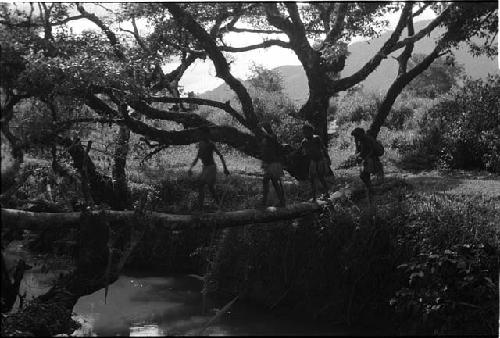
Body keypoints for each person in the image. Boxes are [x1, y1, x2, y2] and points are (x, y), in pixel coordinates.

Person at [188, 126, 230, 209]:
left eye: (202, 134)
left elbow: (220, 155)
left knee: (201, 185)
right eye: (199, 134)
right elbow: (197, 157)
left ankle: (201, 208)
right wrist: (190, 168)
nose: (200, 136)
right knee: (210, 188)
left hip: (211, 168)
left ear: (207, 134)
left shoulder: (211, 144)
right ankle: (219, 207)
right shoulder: (201, 143)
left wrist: (225, 168)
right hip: (205, 168)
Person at [350, 127, 384, 197]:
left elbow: (369, 151)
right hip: (368, 158)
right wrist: (357, 157)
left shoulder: (367, 139)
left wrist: (362, 158)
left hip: (372, 158)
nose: (356, 138)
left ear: (361, 134)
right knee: (364, 175)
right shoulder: (358, 139)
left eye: (356, 136)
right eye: (355, 136)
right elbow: (359, 150)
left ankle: (371, 190)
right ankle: (370, 190)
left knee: (364, 175)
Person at [301, 124, 331, 201]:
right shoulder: (304, 142)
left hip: (320, 160)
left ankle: (327, 193)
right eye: (304, 132)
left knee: (321, 177)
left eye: (306, 132)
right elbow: (304, 153)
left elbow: (323, 148)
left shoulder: (316, 138)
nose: (305, 134)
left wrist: (327, 158)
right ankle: (314, 197)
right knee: (312, 179)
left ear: (311, 131)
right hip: (312, 161)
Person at [260, 129, 286, 207]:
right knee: (274, 182)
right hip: (269, 163)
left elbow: (271, 139)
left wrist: (264, 133)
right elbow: (265, 150)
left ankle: (264, 202)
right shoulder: (265, 138)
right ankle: (282, 201)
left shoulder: (272, 136)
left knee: (267, 180)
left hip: (274, 163)